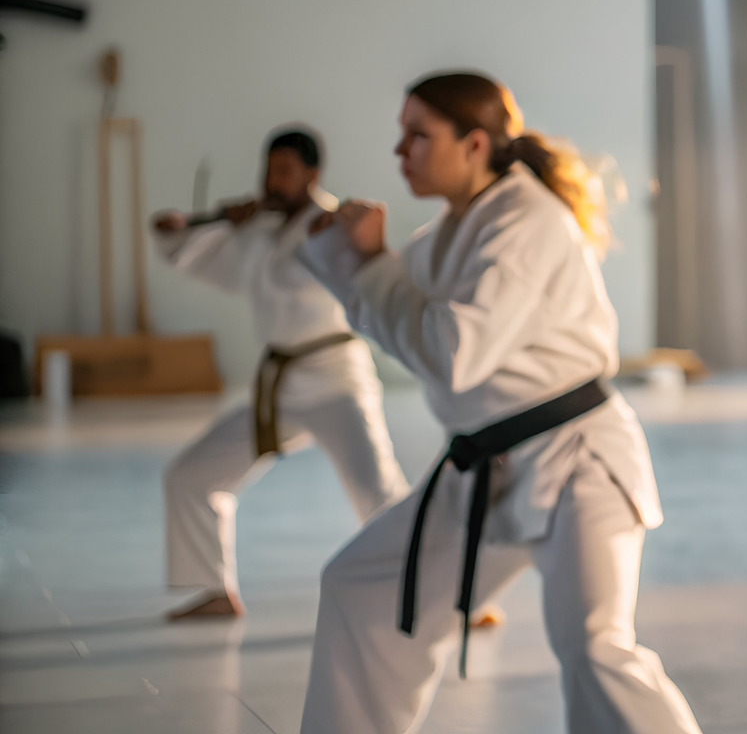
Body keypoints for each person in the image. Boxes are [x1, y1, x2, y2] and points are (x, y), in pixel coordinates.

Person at [297, 72, 702, 734]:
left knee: (595, 647)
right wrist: (333, 248)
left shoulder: (528, 221)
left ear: (475, 143)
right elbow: (394, 307)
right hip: (487, 469)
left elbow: (452, 354)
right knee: (363, 589)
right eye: (402, 136)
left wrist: (367, 267)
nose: (401, 151)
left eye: (418, 136)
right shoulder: (447, 233)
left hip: (578, 466)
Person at [153, 127, 408, 619]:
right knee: (191, 475)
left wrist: (245, 223)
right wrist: (216, 222)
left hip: (337, 385)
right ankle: (213, 590)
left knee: (379, 492)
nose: (274, 181)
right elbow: (184, 249)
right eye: (269, 170)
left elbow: (363, 269)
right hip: (280, 390)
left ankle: (447, 592)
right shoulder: (259, 233)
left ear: (313, 176)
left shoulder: (332, 225)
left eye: (286, 172)